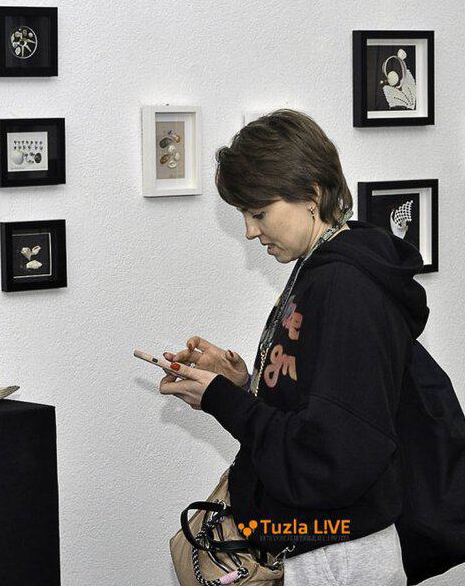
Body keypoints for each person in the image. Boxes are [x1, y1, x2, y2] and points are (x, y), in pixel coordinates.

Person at [158, 109, 429, 585]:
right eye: (244, 215)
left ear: (312, 195)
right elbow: (317, 400)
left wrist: (222, 400)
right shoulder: (318, 268)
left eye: (259, 213)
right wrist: (242, 382)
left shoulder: (348, 286)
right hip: (322, 543)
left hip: (339, 552)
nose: (249, 231)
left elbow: (331, 452)